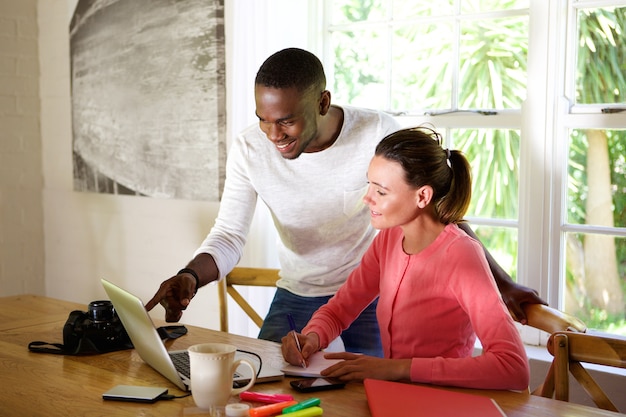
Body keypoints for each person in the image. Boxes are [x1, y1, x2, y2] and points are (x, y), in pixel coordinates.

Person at [145, 48, 544, 357]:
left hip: (372, 294)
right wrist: (191, 276)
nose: (272, 134)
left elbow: (434, 211)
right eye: (263, 119)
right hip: (298, 292)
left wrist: (502, 283)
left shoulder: (376, 132)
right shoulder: (249, 148)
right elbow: (230, 233)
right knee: (262, 380)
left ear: (321, 102)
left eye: (285, 120)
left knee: (373, 394)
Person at [281, 127, 530, 390]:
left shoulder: (460, 254)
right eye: (369, 185)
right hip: (396, 396)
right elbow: (340, 308)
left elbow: (512, 367)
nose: (367, 199)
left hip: (445, 401)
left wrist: (396, 369)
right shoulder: (388, 239)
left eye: (381, 191)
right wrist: (312, 337)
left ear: (422, 196)